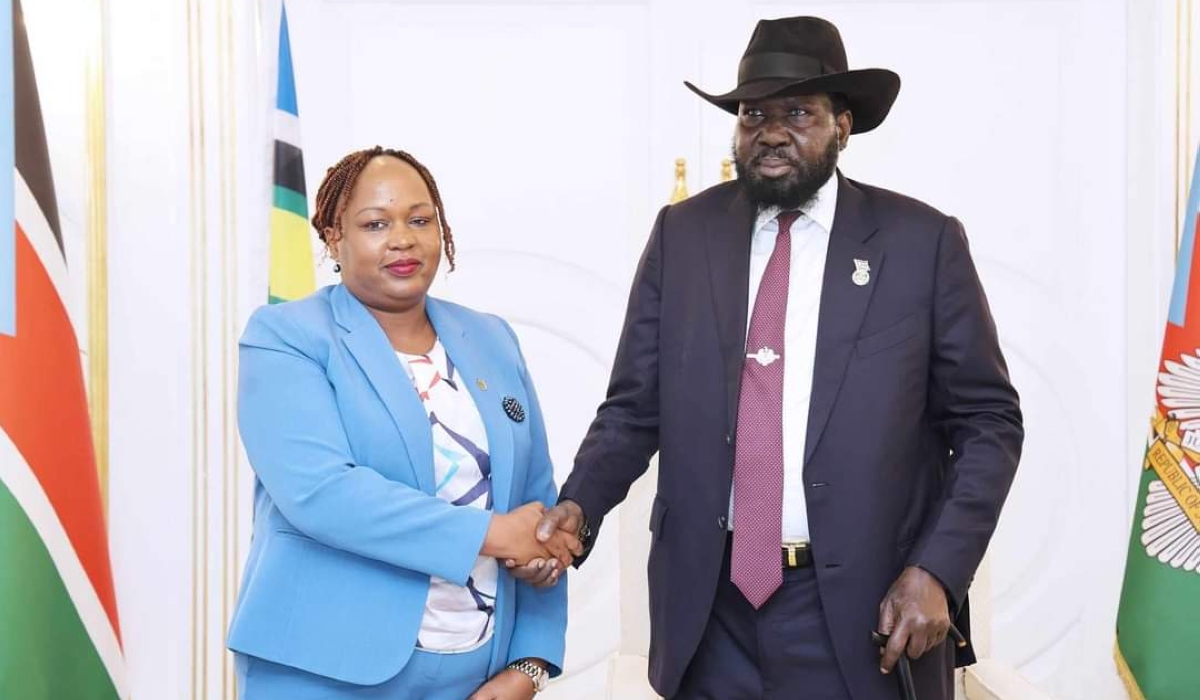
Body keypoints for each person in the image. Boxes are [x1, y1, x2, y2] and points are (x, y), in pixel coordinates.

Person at [519, 16, 1024, 700]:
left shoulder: (920, 244)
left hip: (861, 612)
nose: (771, 132)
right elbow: (636, 407)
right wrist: (580, 504)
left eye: (798, 113)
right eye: (753, 114)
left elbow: (989, 423)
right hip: (709, 611)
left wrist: (937, 570)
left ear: (843, 127)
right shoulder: (684, 234)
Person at [228, 146, 578, 700]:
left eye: (421, 219)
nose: (403, 238)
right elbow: (320, 492)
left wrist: (529, 664)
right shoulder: (285, 337)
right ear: (332, 237)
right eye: (375, 223)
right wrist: (492, 533)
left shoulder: (490, 339)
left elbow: (536, 503)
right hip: (322, 671)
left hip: (477, 675)